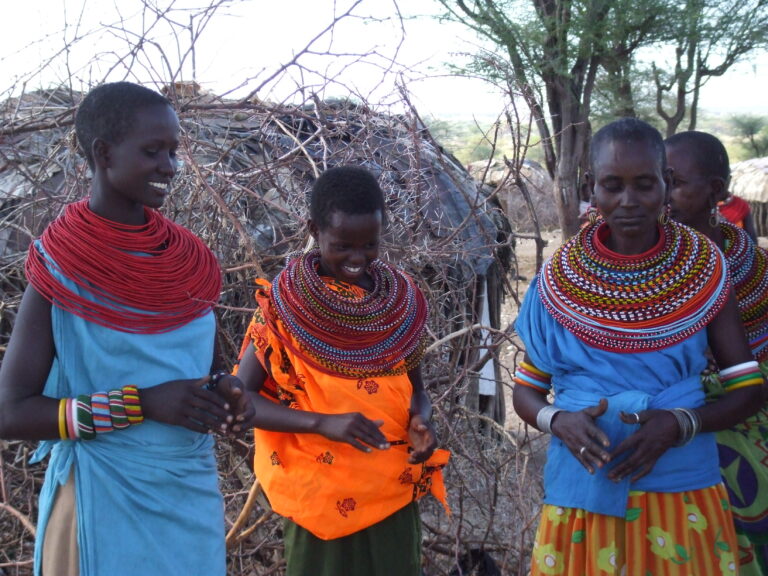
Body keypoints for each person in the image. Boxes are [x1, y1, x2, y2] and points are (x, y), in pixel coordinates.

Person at [0, 81, 242, 576]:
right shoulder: (61, 269)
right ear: (103, 153)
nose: (169, 166)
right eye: (152, 151)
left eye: (173, 151)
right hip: (104, 504)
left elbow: (206, 370)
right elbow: (10, 413)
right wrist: (142, 403)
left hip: (190, 504)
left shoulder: (189, 264)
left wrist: (225, 390)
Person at [512, 117, 766, 575]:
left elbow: (749, 389)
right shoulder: (559, 279)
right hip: (581, 490)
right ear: (592, 187)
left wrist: (681, 423)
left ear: (665, 184)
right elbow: (527, 391)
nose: (628, 201)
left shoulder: (704, 270)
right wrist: (559, 420)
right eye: (612, 185)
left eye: (644, 184)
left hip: (683, 485)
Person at [232, 165, 450, 576]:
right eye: (343, 245)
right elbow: (241, 401)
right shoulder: (284, 308)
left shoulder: (399, 303)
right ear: (314, 229)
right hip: (318, 504)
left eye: (370, 244)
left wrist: (422, 419)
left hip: (391, 492)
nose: (357, 258)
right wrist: (321, 423)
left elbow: (416, 389)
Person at [666, 130, 768, 575]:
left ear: (718, 191)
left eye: (675, 181)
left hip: (747, 423)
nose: (663, 196)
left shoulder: (750, 267)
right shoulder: (638, 264)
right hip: (659, 428)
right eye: (658, 180)